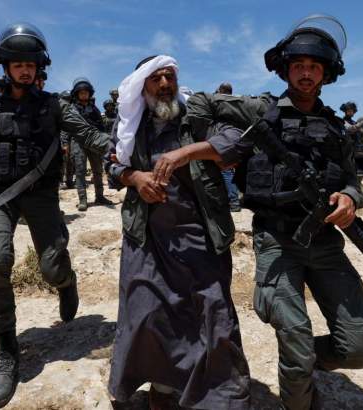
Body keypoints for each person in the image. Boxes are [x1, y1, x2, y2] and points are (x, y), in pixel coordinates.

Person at [151, 15, 363, 410]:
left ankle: (303, 365)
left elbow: (355, 182)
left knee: (357, 348)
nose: (306, 74)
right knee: (295, 337)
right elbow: (201, 102)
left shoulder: (335, 126)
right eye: (298, 66)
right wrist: (206, 153)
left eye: (314, 67)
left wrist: (350, 199)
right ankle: (299, 396)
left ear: (326, 74)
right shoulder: (260, 109)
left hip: (325, 243)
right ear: (286, 70)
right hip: (276, 241)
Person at [0, 22, 110, 409]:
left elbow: (90, 135)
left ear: (39, 67)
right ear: (6, 67)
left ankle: (66, 281)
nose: (24, 70)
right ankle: (7, 353)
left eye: (30, 64)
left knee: (52, 267)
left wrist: (127, 152)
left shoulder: (55, 105)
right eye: (17, 63)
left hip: (41, 197)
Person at [105, 55, 251, 410]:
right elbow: (113, 165)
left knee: (213, 316)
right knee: (146, 315)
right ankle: (163, 388)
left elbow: (239, 139)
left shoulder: (196, 117)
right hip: (147, 237)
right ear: (144, 87)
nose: (165, 84)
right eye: (156, 79)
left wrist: (188, 152)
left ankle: (220, 398)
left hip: (199, 235)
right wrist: (134, 178)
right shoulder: (130, 125)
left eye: (169, 77)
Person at [69, 77, 113, 210]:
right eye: (81, 92)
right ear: (77, 94)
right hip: (78, 142)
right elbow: (67, 127)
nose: (84, 94)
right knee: (80, 171)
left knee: (97, 170)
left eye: (86, 92)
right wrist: (65, 144)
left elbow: (101, 126)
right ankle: (83, 200)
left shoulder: (94, 109)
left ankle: (100, 196)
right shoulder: (72, 109)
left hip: (94, 142)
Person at [215, 82, 241, 212]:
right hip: (236, 140)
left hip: (224, 140)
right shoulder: (236, 102)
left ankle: (234, 202)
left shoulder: (219, 103)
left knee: (226, 171)